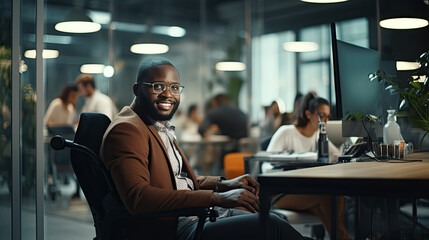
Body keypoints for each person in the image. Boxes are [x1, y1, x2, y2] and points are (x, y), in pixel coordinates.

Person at [100, 57, 306, 240]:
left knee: (274, 219)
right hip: (176, 228)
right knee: (272, 225)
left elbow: (175, 180)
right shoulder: (127, 130)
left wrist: (223, 184)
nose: (168, 95)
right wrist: (217, 198)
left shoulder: (153, 124)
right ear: (137, 90)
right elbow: (139, 197)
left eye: (174, 87)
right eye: (157, 86)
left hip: (194, 214)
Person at [265, 92, 350, 239]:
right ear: (308, 114)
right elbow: (265, 166)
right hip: (280, 192)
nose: (326, 120)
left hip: (304, 191)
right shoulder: (286, 132)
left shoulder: (319, 135)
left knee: (330, 198)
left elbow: (336, 156)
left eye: (328, 116)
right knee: (327, 195)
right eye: (322, 115)